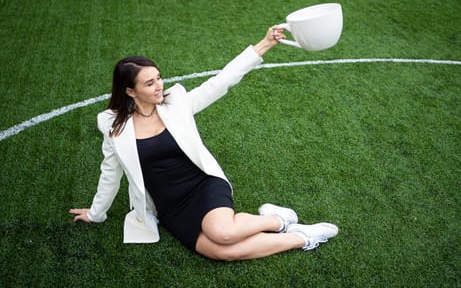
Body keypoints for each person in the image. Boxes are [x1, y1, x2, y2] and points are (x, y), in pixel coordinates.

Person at [69, 26, 338, 261]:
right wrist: (96, 213)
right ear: (130, 90)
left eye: (159, 78)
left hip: (202, 183)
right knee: (221, 251)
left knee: (223, 233)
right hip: (170, 203)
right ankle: (300, 236)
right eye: (149, 83)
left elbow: (220, 82)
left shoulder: (176, 102)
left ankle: (278, 219)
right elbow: (110, 172)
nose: (159, 86)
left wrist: (265, 44)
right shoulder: (112, 124)